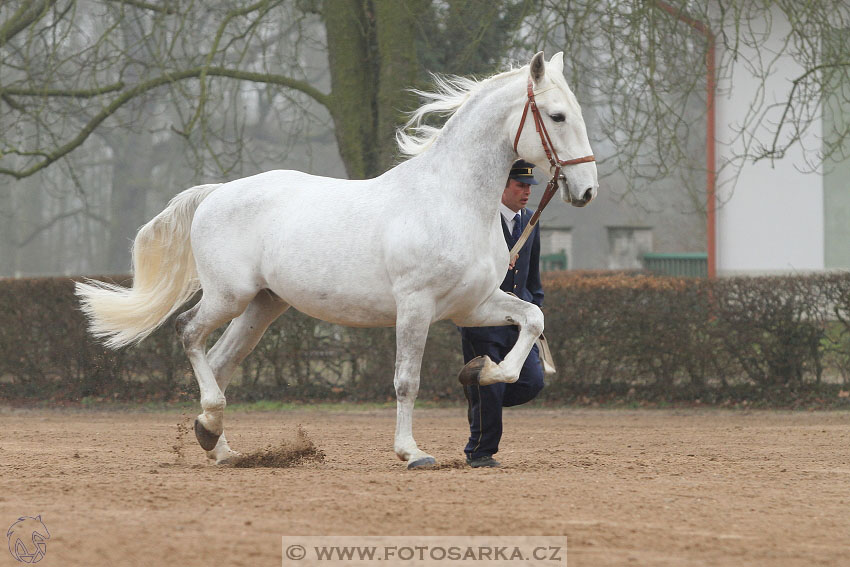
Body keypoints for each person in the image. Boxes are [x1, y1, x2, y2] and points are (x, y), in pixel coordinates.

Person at [460, 159, 545, 468]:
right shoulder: (481, 220)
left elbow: (533, 275)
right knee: (490, 389)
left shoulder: (530, 222)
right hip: (481, 318)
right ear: (503, 186)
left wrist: (535, 306)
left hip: (517, 320)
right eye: (520, 185)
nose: (526, 192)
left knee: (531, 382)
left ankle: (481, 399)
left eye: (529, 187)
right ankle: (480, 452)